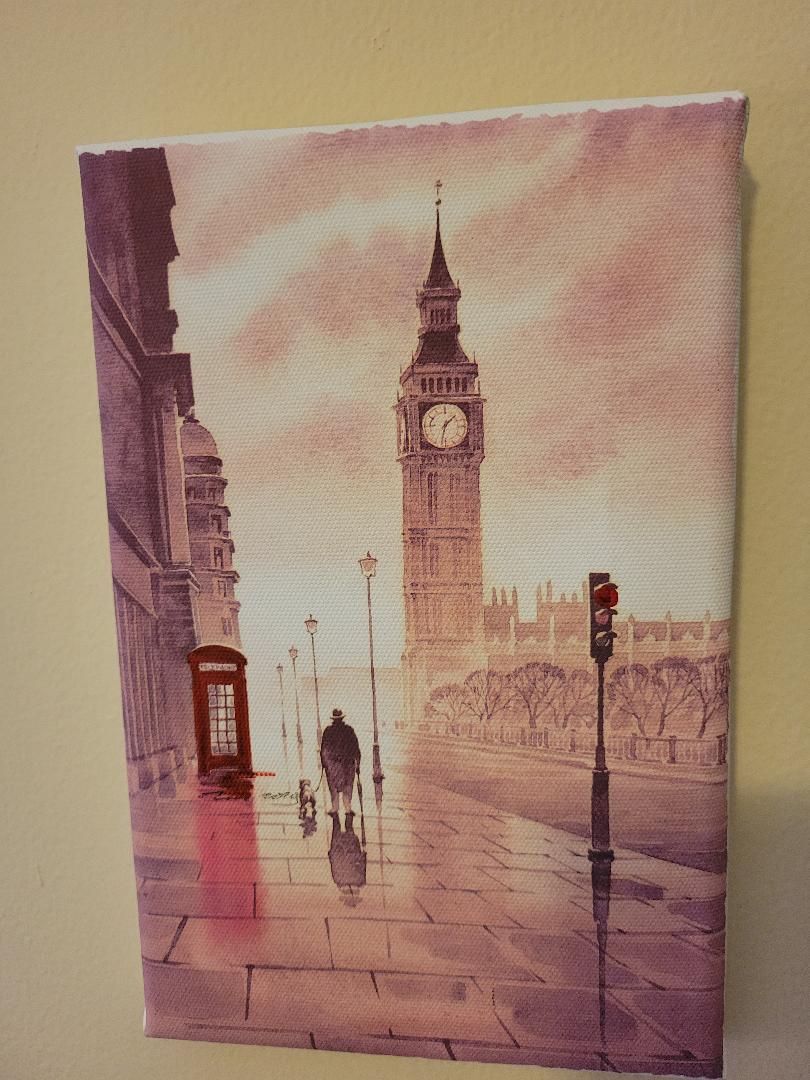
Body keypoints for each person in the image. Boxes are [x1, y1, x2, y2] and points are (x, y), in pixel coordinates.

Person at [320, 707, 360, 816]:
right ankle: (347, 808)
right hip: (347, 764)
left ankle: (335, 807)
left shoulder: (328, 731)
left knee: (333, 786)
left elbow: (323, 749)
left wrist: (324, 763)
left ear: (333, 719)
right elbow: (356, 748)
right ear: (342, 719)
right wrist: (358, 764)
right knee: (347, 786)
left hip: (334, 764)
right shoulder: (349, 730)